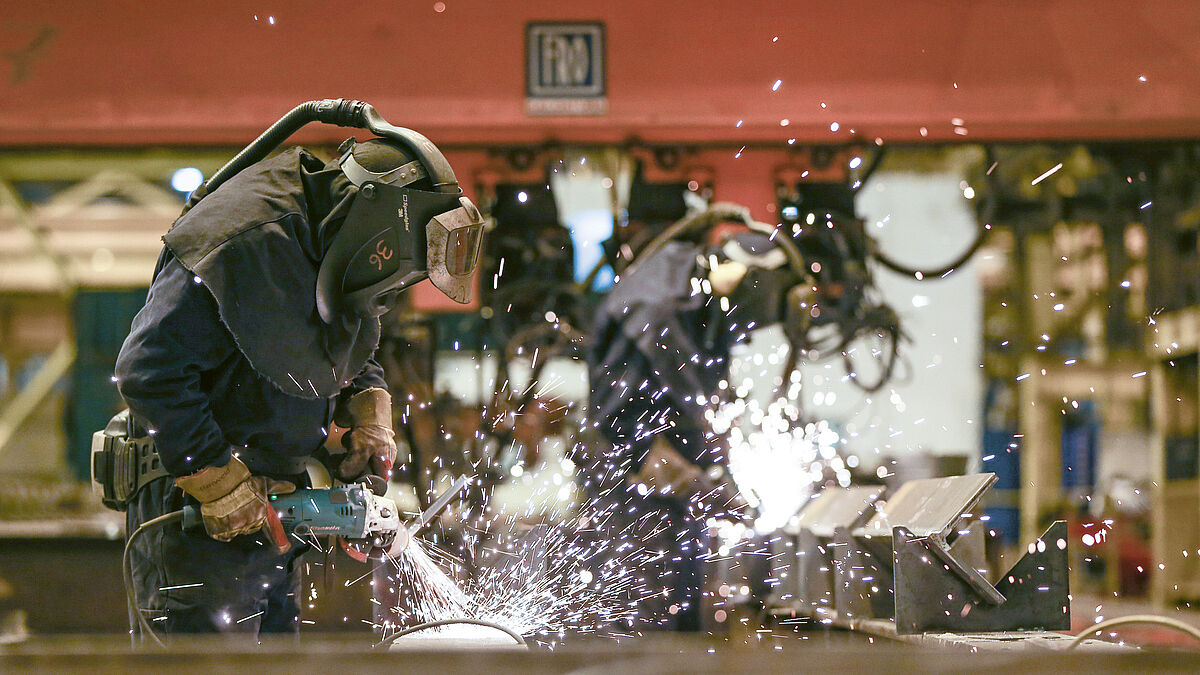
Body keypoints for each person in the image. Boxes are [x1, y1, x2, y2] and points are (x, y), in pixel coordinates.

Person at [113, 134, 484, 636]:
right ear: (376, 227)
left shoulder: (326, 245)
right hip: (193, 515)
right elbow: (147, 371)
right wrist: (216, 479)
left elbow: (346, 340)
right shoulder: (242, 241)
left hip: (264, 518)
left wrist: (365, 414)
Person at [582, 209, 800, 631]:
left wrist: (719, 474)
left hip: (663, 501)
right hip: (630, 503)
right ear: (746, 280)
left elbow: (690, 410)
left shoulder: (701, 296)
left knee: (680, 623)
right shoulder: (657, 308)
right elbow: (628, 439)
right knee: (645, 632)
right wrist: (706, 490)